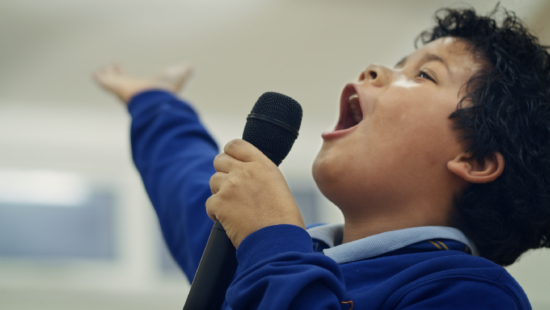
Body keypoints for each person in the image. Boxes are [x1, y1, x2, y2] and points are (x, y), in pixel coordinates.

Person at [94, 6, 549, 309]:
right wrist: (154, 103)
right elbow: (192, 189)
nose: (372, 69)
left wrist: (271, 240)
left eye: (425, 74)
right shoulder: (279, 250)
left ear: (475, 158)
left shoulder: (473, 293)